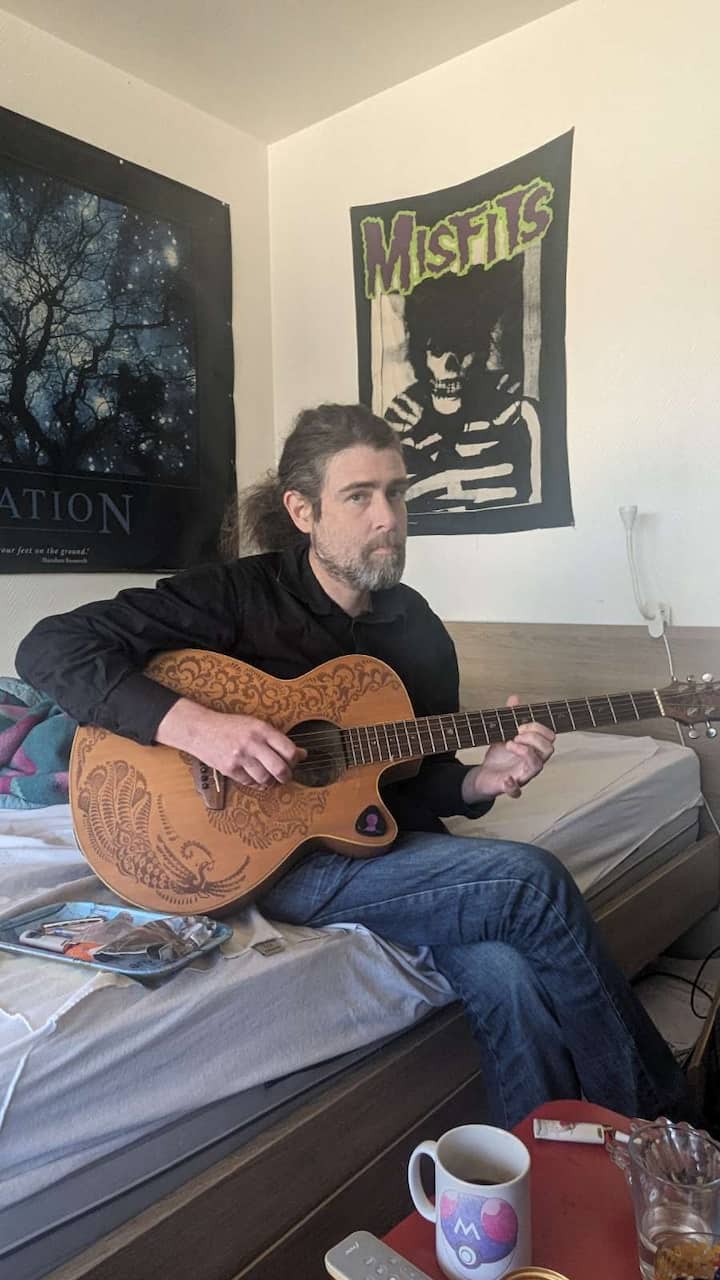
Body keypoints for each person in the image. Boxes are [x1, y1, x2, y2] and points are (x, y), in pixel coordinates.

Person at [15, 403, 691, 1130]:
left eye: (396, 493)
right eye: (359, 496)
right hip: (260, 860)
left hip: (377, 845)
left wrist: (480, 781)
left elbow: (416, 782)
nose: (388, 519)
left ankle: (541, 1169)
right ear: (302, 511)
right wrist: (201, 729)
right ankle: (664, 1132)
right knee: (531, 881)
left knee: (509, 976)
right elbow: (48, 648)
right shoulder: (234, 596)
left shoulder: (418, 627)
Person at [384, 269, 540, 515]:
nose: (450, 365)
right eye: (437, 350)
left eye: (462, 349)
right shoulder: (402, 419)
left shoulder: (516, 414)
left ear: (480, 351)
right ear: (420, 355)